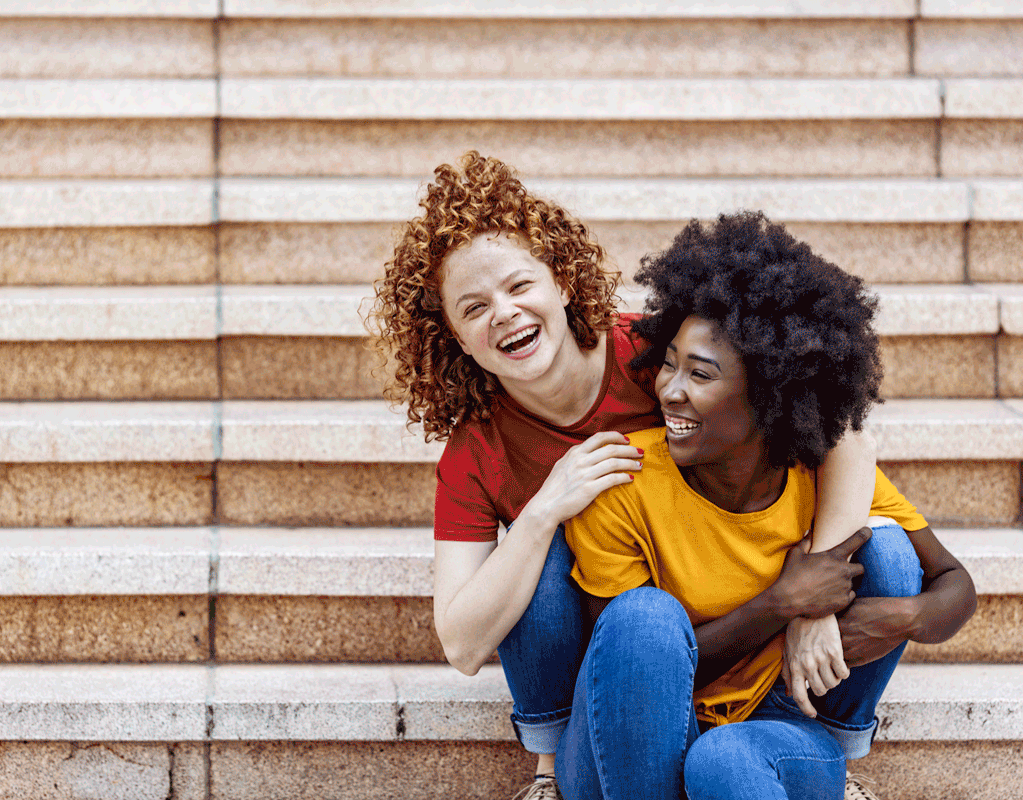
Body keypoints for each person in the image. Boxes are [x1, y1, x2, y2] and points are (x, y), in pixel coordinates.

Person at [369, 152, 880, 799]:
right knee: (564, 560)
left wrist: (814, 594)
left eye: (519, 285)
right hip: (610, 689)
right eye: (473, 308)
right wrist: (544, 507)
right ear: (455, 340)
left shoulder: (657, 357)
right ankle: (551, 771)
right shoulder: (477, 452)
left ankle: (822, 759)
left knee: (882, 549)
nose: (503, 311)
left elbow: (849, 430)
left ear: (560, 280)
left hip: (734, 641)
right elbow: (462, 642)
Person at [561, 211, 978, 800]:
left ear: (768, 393)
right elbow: (632, 677)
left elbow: (955, 584)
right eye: (670, 363)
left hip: (773, 725)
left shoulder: (818, 473)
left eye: (700, 374)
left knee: (885, 552)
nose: (669, 389)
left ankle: (834, 743)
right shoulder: (624, 480)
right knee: (643, 622)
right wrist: (783, 604)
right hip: (628, 746)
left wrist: (890, 621)